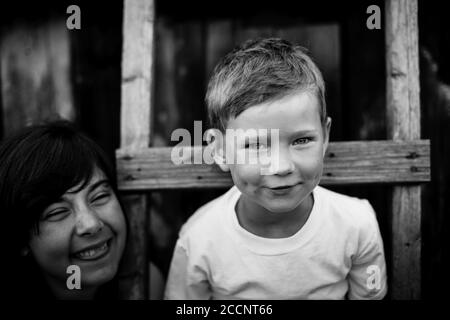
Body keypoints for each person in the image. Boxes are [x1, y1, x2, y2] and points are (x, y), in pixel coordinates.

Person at [165, 38, 387, 299]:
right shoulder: (199, 239)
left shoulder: (357, 225)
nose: (281, 167)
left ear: (325, 136)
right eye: (256, 145)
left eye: (301, 140)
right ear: (220, 150)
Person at [0, 120, 128, 299]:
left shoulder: (146, 283)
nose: (91, 224)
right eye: (57, 212)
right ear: (21, 238)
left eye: (99, 197)